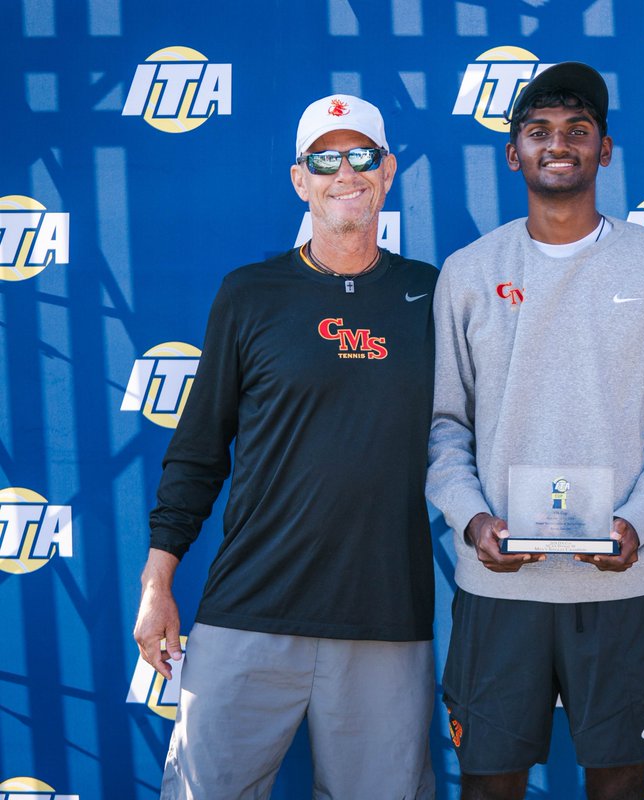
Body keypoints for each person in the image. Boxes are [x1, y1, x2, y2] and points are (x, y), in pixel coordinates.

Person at [132, 94, 439, 800]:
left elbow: (497, 412)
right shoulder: (250, 295)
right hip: (249, 607)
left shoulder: (433, 294)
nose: (345, 173)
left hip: (385, 616)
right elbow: (198, 450)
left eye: (361, 155)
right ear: (301, 180)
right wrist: (156, 583)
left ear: (388, 171)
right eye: (324, 160)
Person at [426, 62, 644, 800]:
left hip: (621, 589)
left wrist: (640, 521)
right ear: (513, 152)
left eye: (578, 130)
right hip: (498, 590)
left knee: (620, 787)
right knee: (490, 788)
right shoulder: (468, 272)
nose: (559, 144)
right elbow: (443, 429)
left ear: (605, 150)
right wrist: (474, 520)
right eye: (540, 131)